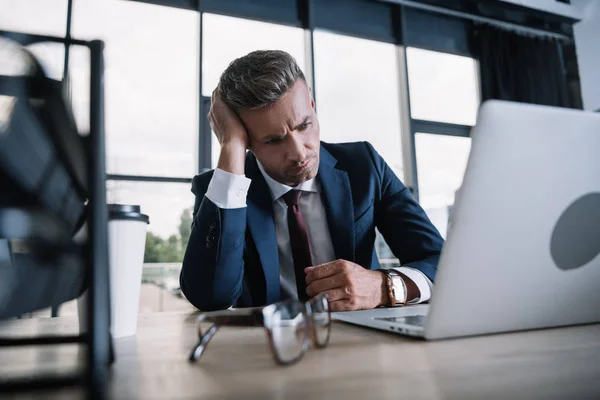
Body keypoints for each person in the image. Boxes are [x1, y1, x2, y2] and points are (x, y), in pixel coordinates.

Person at [180, 50, 444, 312]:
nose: (299, 153)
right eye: (273, 140)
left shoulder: (364, 166)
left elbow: (440, 261)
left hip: (364, 340)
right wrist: (231, 145)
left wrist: (385, 287)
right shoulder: (221, 191)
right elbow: (210, 297)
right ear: (247, 141)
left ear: (312, 105)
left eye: (304, 125)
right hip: (267, 346)